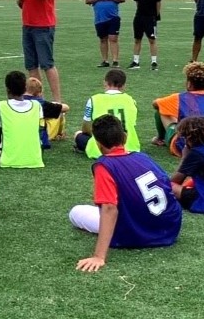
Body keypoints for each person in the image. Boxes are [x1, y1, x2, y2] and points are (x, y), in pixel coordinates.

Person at [70, 115, 182, 271]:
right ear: (124, 136)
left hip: (133, 232)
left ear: (97, 142)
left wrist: (99, 256)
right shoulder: (143, 157)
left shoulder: (104, 165)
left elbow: (109, 208)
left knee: (75, 212)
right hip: (169, 229)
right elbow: (167, 185)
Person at [5, 0, 62, 103]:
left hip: (43, 25)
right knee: (31, 65)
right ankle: (37, 99)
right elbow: (23, 4)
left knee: (47, 64)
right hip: (28, 25)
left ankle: (57, 100)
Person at [152, 61, 204, 155]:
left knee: (161, 109)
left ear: (189, 83)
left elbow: (155, 104)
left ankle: (160, 138)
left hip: (184, 146)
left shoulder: (178, 97)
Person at [0, 70, 44, 168]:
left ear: (7, 89)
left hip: (7, 160)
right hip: (35, 158)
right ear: (25, 88)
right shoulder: (36, 105)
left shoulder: (0, 106)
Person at [75, 68, 139, 158]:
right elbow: (132, 123)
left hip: (101, 149)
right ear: (124, 86)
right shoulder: (131, 100)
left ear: (105, 82)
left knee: (78, 134)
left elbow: (86, 127)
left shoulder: (94, 100)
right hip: (130, 148)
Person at [85, 0, 125, 67]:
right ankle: (105, 60)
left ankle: (115, 60)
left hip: (113, 17)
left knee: (113, 38)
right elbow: (87, 0)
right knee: (103, 39)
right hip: (99, 19)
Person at [130, 0, 162, 70]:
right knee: (137, 39)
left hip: (150, 17)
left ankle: (154, 62)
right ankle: (136, 61)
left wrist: (156, 15)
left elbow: (158, 2)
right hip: (139, 17)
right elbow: (137, 2)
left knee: (152, 40)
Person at [24, 76, 69, 148]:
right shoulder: (41, 103)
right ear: (39, 93)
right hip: (38, 137)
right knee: (60, 114)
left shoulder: (15, 101)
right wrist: (55, 104)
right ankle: (60, 134)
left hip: (19, 133)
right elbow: (66, 108)